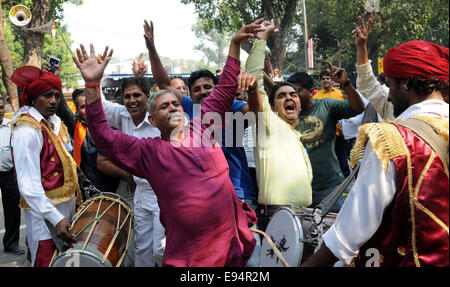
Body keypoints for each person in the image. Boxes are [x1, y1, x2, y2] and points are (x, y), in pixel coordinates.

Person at [73, 20, 264, 267]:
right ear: (152, 120)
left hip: (236, 246)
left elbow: (226, 87)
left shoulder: (203, 126)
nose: (173, 106)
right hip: (190, 257)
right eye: (165, 106)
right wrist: (91, 85)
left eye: (174, 103)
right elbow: (102, 134)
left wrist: (235, 44)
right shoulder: (148, 152)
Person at [302, 38, 449, 267]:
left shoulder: (390, 139)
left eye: (390, 85)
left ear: (407, 84)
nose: (388, 96)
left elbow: (348, 232)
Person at [144, 21, 257, 213]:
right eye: (197, 89)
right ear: (190, 93)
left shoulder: (234, 106)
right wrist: (152, 48)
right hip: (203, 195)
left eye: (208, 87)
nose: (203, 92)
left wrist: (253, 90)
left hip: (237, 192)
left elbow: (256, 114)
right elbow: (164, 82)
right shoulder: (188, 108)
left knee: (247, 243)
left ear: (218, 90)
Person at [244, 19, 313, 230]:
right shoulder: (269, 124)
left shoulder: (296, 136)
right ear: (272, 107)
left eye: (293, 94)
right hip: (277, 216)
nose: (289, 98)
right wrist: (261, 40)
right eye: (281, 96)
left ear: (300, 104)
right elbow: (253, 78)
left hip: (305, 217)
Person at [10, 66, 81, 267]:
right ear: (33, 98)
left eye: (57, 96)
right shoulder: (27, 130)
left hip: (63, 217)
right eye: (47, 95)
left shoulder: (52, 123)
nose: (54, 101)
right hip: (46, 223)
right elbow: (28, 186)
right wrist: (55, 218)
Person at [99, 75, 165, 267]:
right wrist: (95, 78)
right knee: (141, 248)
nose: (132, 101)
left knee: (161, 250)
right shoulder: (122, 114)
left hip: (164, 192)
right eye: (127, 96)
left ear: (148, 95)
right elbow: (98, 104)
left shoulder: (159, 117)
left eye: (137, 95)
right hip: (140, 192)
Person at [287, 63, 365, 213]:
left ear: (310, 92)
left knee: (332, 228)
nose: (291, 97)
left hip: (328, 185)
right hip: (298, 188)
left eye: (295, 92)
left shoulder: (326, 106)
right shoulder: (286, 114)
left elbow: (358, 108)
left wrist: (345, 84)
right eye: (289, 93)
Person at [0, 97, 24, 256]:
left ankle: (11, 244)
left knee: (13, 211)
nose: (0, 111)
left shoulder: (11, 127)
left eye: (1, 107)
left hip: (9, 175)